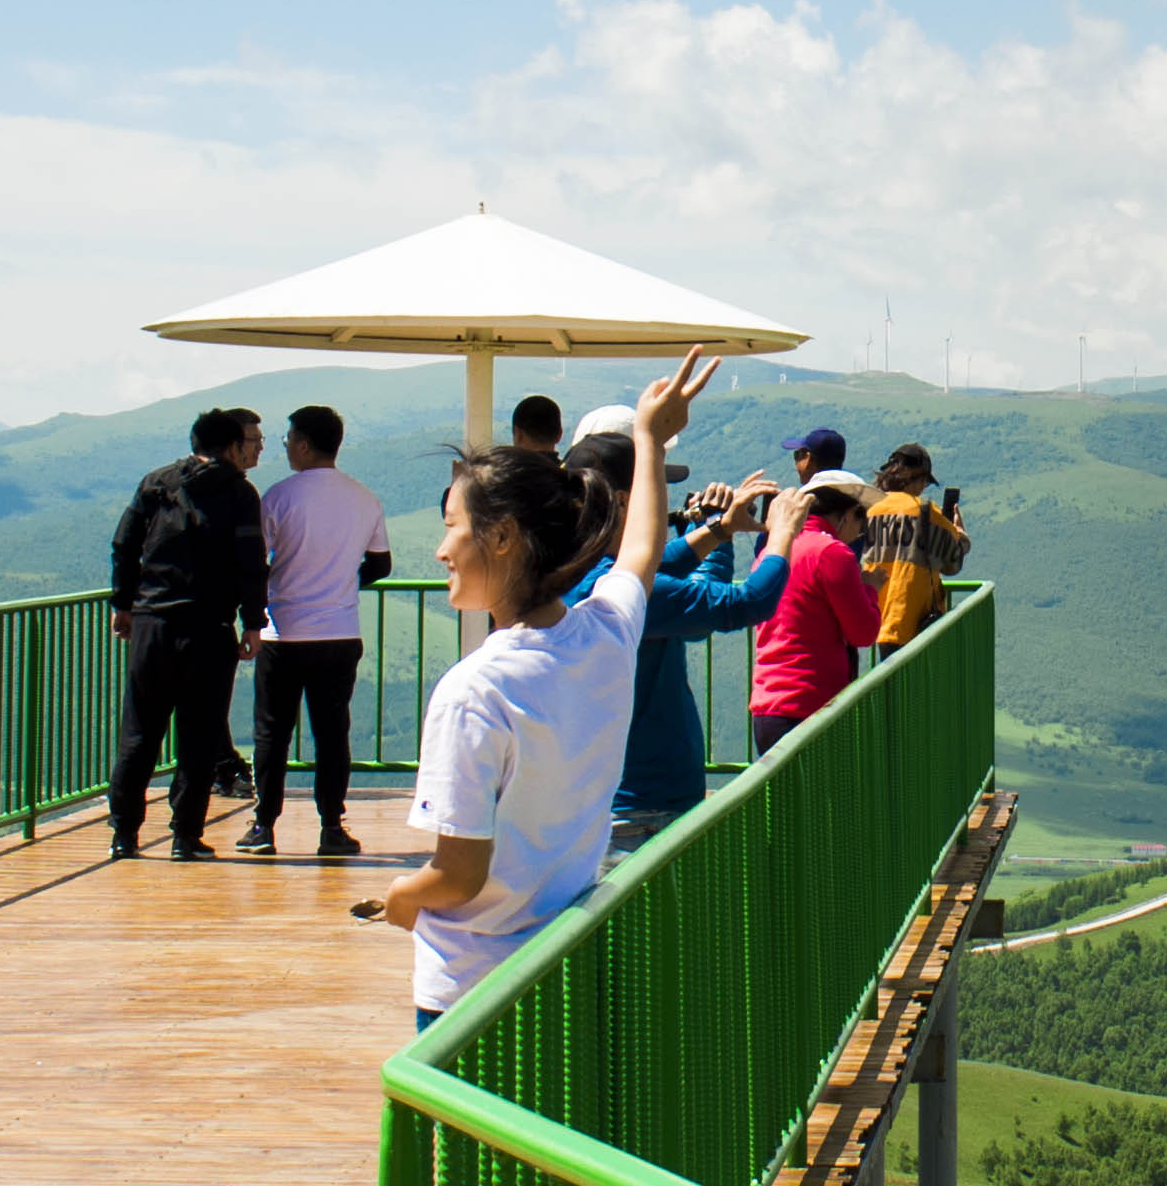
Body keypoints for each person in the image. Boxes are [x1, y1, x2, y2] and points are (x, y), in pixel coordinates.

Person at [355, 356, 712, 1020]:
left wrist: (404, 895)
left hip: (469, 988)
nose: (440, 550)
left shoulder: (474, 691)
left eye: (450, 527)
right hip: (561, 967)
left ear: (502, 537)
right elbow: (641, 549)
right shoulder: (604, 637)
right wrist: (650, 441)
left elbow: (458, 876)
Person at [573, 417, 786, 847]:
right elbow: (745, 602)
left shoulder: (577, 567)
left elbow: (655, 563)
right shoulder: (615, 593)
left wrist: (718, 528)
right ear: (622, 500)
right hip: (644, 804)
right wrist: (783, 533)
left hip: (616, 799)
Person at [105, 404, 273, 858]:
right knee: (198, 736)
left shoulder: (157, 482)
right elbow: (249, 563)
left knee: (139, 732)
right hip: (208, 628)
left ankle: (123, 835)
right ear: (232, 446)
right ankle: (184, 836)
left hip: (151, 624)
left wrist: (123, 603)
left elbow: (124, 544)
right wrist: (254, 622)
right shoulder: (240, 493)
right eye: (250, 443)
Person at [243, 403, 384, 861]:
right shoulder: (363, 497)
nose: (284, 447)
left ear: (302, 444)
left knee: (271, 733)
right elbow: (380, 563)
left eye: (286, 440)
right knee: (331, 733)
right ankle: (332, 827)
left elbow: (253, 562)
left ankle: (264, 825)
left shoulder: (278, 497)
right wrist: (343, 580)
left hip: (283, 633)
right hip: (340, 633)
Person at [749, 473, 883, 739]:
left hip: (768, 706)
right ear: (848, 514)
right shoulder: (833, 553)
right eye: (861, 520)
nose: (859, 532)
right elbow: (863, 632)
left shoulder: (773, 551)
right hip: (811, 706)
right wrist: (870, 589)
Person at [863, 443, 969, 646]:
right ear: (917, 477)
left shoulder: (871, 509)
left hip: (877, 622)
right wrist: (961, 536)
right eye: (925, 482)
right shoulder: (926, 512)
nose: (923, 488)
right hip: (914, 628)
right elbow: (952, 564)